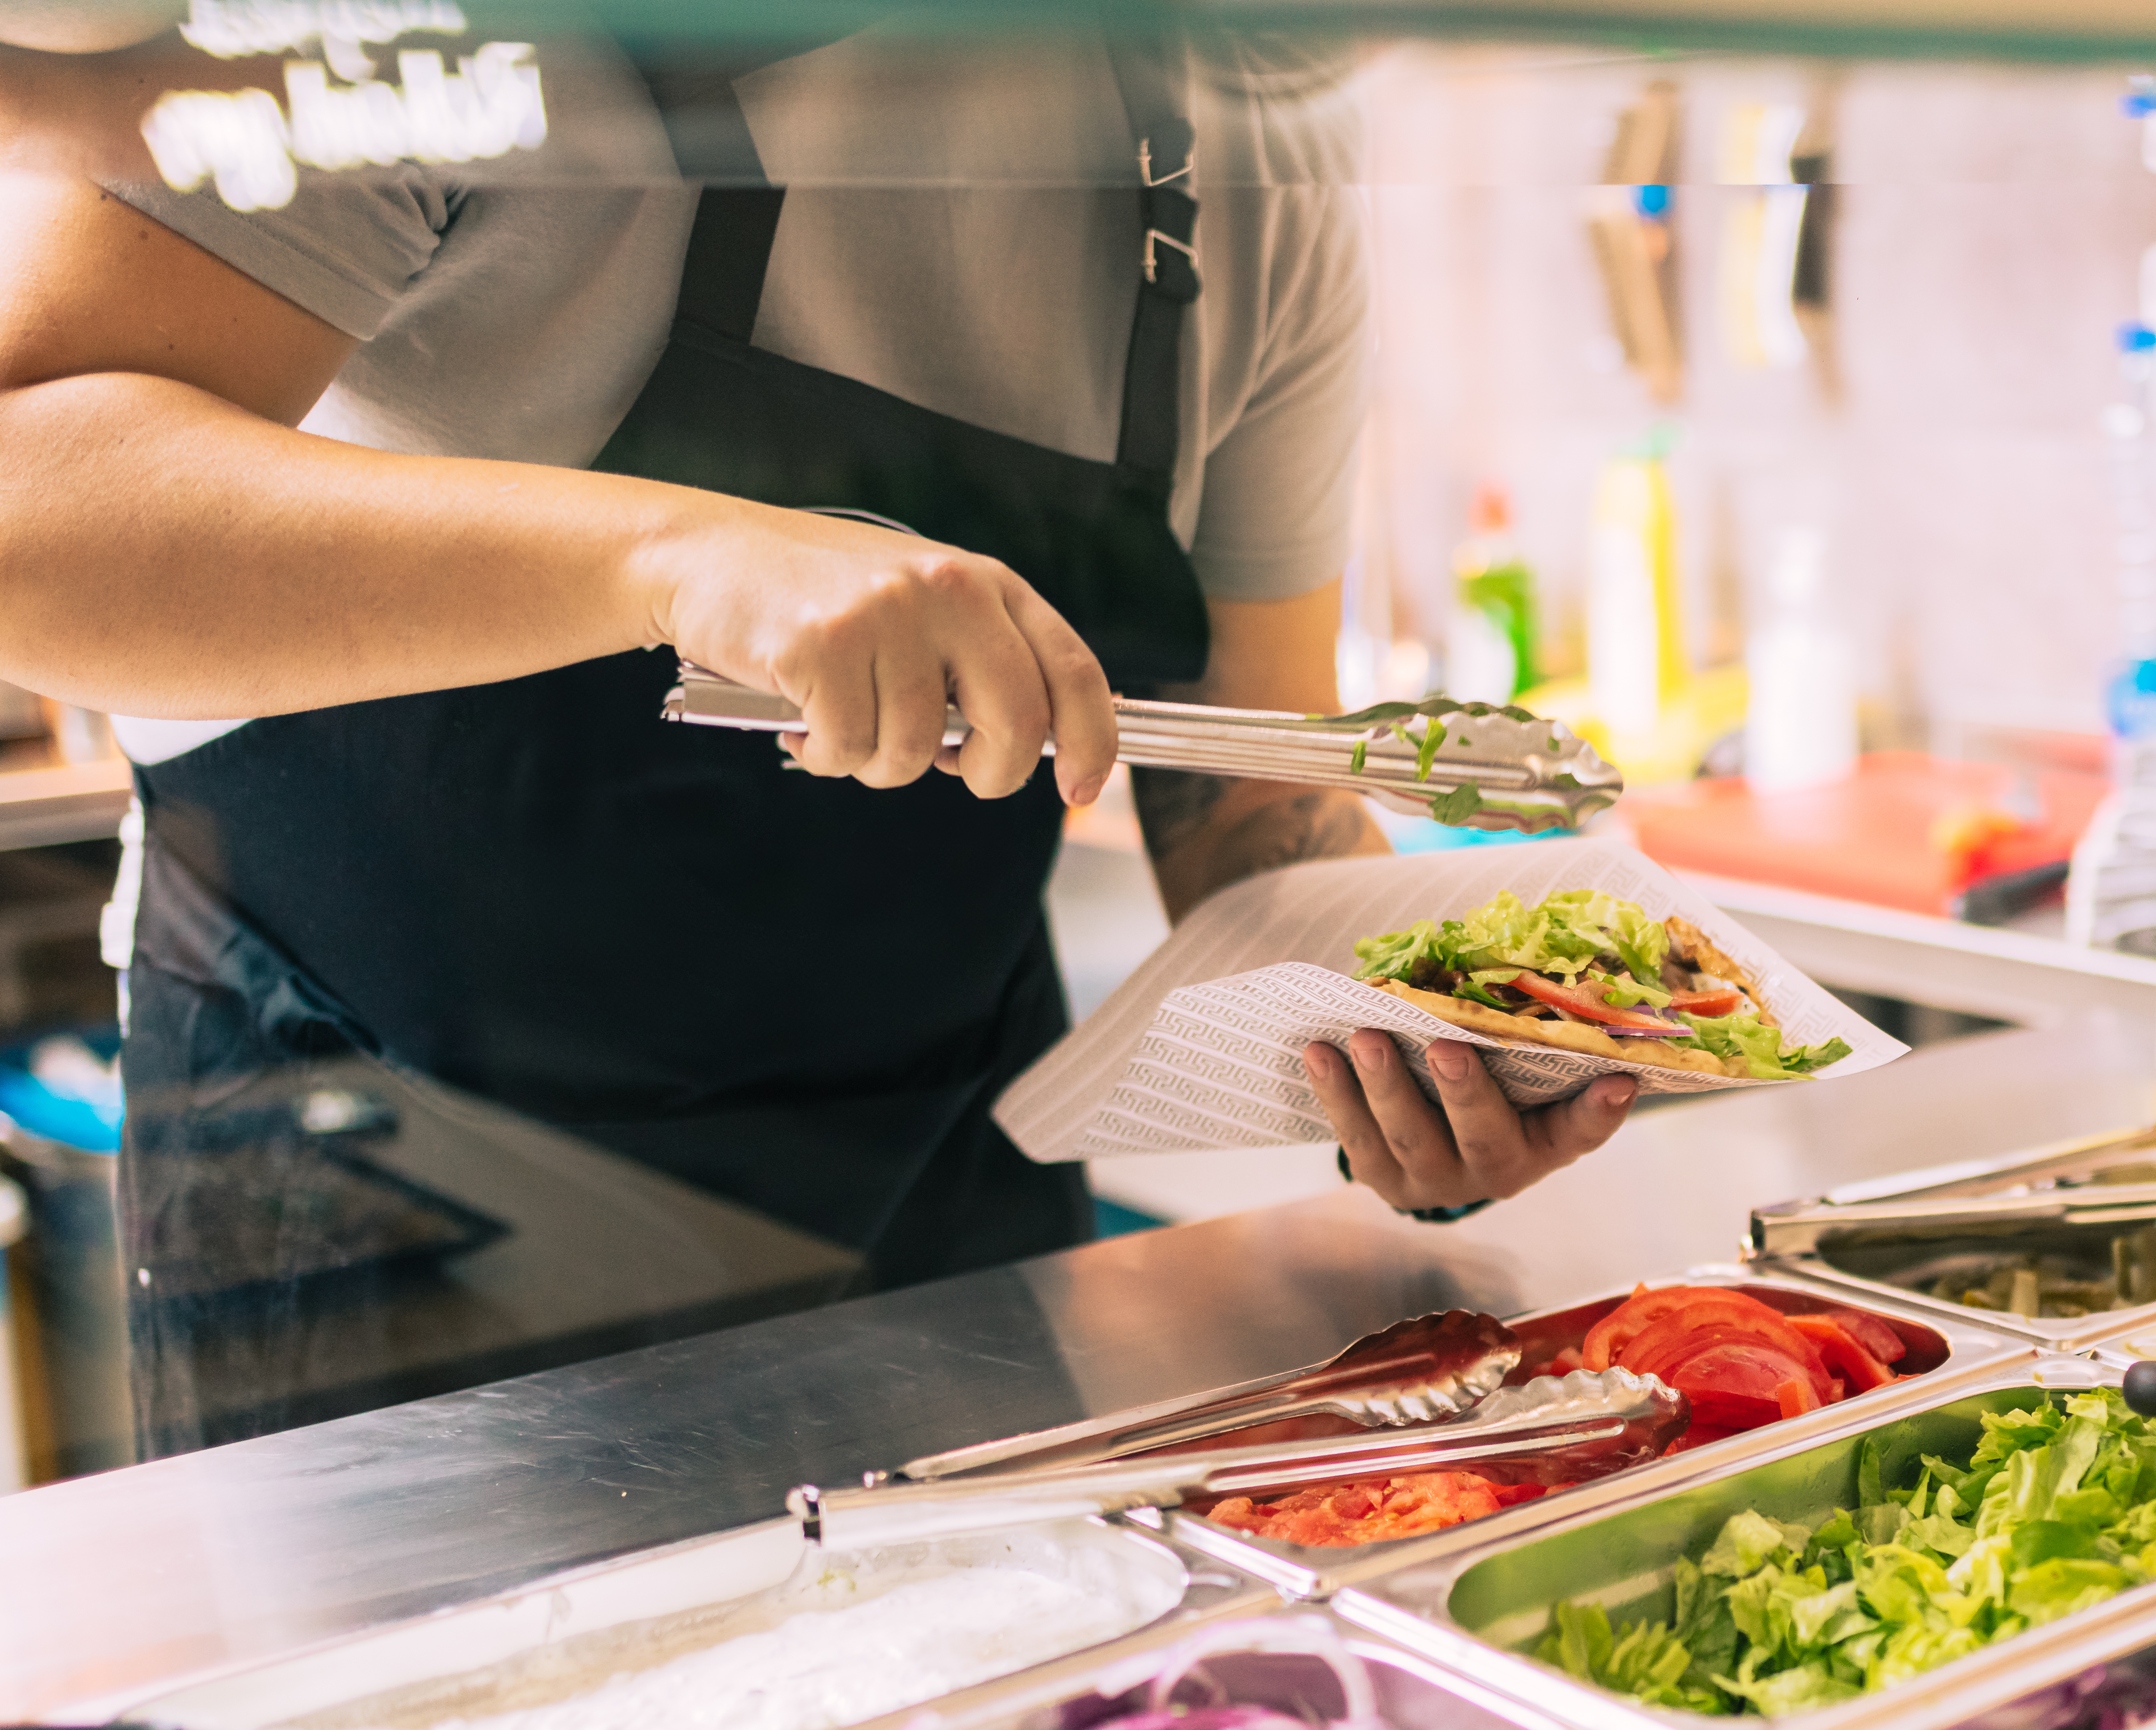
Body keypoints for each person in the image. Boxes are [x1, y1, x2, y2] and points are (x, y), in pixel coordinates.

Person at [0, 13, 1631, 1455]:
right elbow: (27, 504)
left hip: (945, 1225)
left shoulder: (1242, 135)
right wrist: (683, 558)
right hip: (398, 1235)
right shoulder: (461, 36)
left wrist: (1420, 1055)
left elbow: (1251, 800)